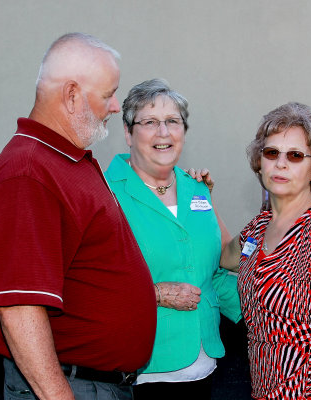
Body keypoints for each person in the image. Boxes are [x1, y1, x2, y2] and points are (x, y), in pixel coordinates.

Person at [0, 33, 157, 400]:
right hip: (69, 386)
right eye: (109, 93)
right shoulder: (27, 174)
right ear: (72, 95)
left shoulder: (66, 158)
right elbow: (18, 307)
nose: (114, 106)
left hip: (94, 383)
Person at [104, 78, 242, 400]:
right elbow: (91, 282)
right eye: (150, 122)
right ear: (128, 132)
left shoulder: (197, 189)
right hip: (140, 373)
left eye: (172, 122)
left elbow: (214, 270)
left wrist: (268, 308)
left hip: (204, 365)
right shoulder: (105, 193)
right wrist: (153, 294)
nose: (163, 132)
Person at [218, 102, 311, 399]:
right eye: (271, 153)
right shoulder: (257, 227)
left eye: (294, 156)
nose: (280, 164)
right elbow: (222, 256)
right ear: (260, 161)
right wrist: (201, 197)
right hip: (263, 389)